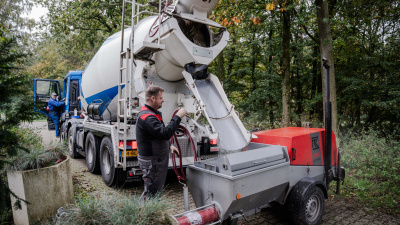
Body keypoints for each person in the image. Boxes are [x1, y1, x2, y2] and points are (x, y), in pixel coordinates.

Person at [136, 86, 187, 200]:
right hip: (152, 162)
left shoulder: (153, 113)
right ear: (153, 98)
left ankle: (148, 212)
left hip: (156, 160)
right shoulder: (147, 117)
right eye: (161, 98)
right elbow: (165, 133)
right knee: (151, 192)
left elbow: (158, 134)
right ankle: (146, 214)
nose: (163, 100)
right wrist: (177, 117)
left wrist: (170, 145)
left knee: (154, 190)